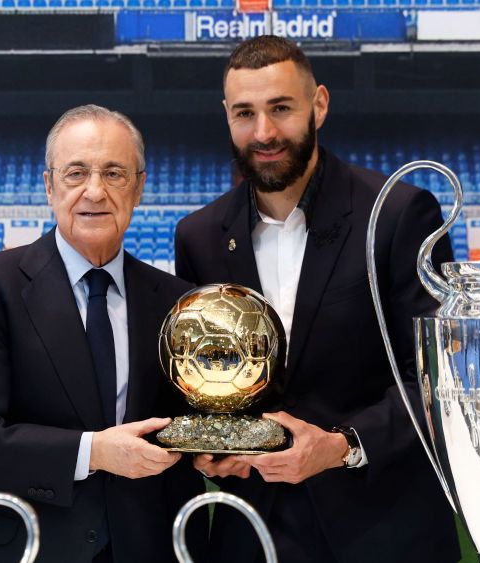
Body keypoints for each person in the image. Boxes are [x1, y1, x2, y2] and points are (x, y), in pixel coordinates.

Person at [174, 36, 461, 562]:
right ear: (227, 116)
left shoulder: (399, 214)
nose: (264, 133)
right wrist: (212, 448)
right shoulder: (198, 235)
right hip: (253, 532)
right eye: (245, 113)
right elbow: (205, 383)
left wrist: (342, 445)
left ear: (319, 105)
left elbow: (442, 378)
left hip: (385, 532)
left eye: (281, 108)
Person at [0, 104, 206, 563]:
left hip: (150, 548)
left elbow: (185, 430)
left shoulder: (178, 303)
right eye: (76, 172)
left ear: (139, 188)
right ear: (49, 186)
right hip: (26, 548)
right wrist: (94, 452)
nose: (94, 191)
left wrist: (223, 448)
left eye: (114, 173)